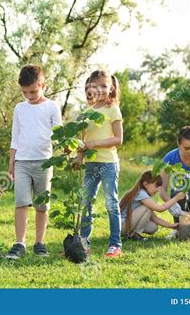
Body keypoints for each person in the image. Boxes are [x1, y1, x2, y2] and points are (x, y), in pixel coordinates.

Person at [5, 64, 62, 259]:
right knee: (21, 202)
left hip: (44, 162)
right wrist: (11, 161)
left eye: (33, 91)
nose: (29, 95)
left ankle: (40, 243)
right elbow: (15, 136)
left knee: (42, 205)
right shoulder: (20, 108)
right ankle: (20, 243)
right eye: (24, 92)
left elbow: (59, 133)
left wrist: (66, 148)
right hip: (21, 161)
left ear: (43, 85)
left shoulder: (52, 107)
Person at [74, 70, 123, 258]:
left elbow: (118, 139)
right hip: (91, 164)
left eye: (105, 85)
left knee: (111, 202)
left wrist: (95, 144)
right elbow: (83, 139)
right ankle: (84, 243)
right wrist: (79, 156)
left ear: (111, 87)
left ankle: (115, 245)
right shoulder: (88, 112)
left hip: (108, 164)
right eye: (97, 86)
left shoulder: (113, 109)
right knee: (86, 202)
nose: (101, 89)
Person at [119, 170, 183, 241]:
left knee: (153, 227)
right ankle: (134, 234)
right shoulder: (141, 193)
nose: (158, 190)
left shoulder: (141, 194)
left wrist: (171, 226)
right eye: (156, 186)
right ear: (146, 184)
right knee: (147, 208)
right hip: (121, 226)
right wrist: (175, 199)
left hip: (126, 224)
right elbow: (160, 208)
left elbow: (154, 218)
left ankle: (132, 233)